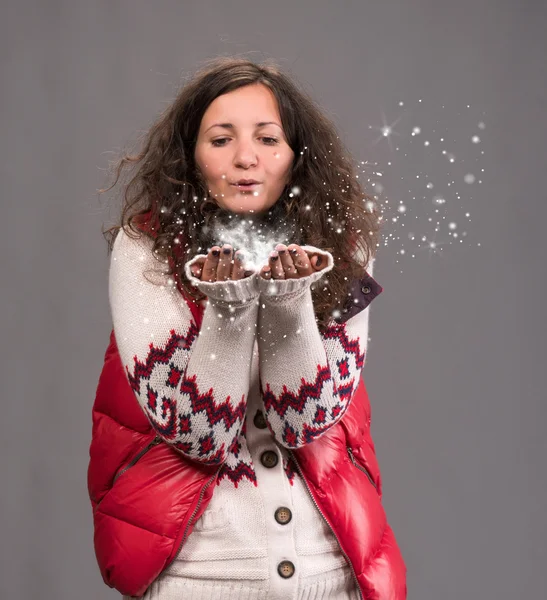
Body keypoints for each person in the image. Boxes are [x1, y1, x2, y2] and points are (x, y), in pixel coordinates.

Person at [88, 57, 407, 600]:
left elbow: (303, 423)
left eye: (268, 139)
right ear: (189, 157)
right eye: (220, 140)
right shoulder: (146, 250)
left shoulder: (343, 245)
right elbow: (200, 435)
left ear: (295, 155)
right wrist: (230, 308)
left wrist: (288, 300)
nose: (245, 158)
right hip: (199, 579)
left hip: (331, 574)